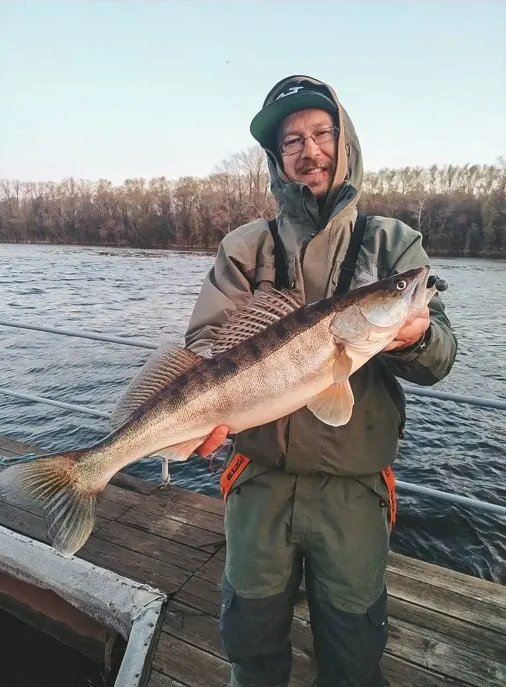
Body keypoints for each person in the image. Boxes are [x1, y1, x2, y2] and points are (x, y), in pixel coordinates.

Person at [185, 75, 457, 687]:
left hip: (353, 490)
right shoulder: (245, 247)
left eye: (322, 132)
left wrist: (415, 335)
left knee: (354, 650)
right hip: (257, 483)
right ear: (276, 159)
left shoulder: (393, 244)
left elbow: (441, 358)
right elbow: (204, 346)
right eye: (293, 141)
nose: (310, 150)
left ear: (345, 140)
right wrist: (199, 417)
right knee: (250, 639)